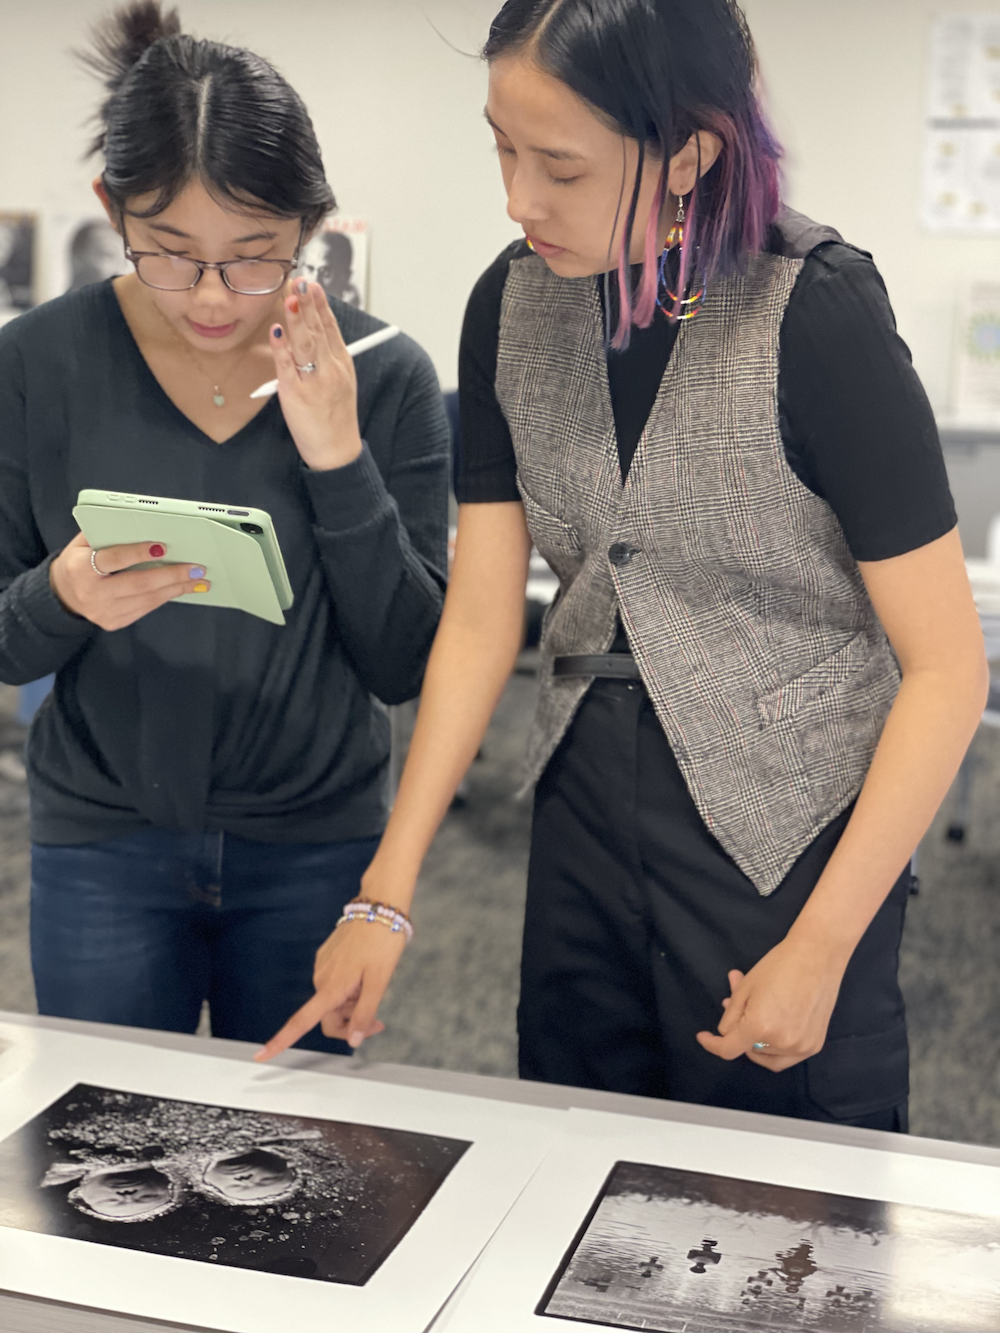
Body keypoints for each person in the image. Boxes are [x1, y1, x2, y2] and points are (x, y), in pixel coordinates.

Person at [262, 0, 988, 1132]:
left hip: (788, 833)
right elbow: (481, 618)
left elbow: (946, 668)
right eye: (501, 146)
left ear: (691, 149)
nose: (517, 197)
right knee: (568, 1159)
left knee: (783, 1207)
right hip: (583, 808)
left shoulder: (819, 311)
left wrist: (824, 939)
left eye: (559, 164)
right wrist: (386, 893)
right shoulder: (508, 304)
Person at [0, 1, 450, 1051]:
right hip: (101, 839)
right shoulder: (36, 364)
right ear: (113, 210)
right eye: (168, 252)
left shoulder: (383, 376)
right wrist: (58, 596)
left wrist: (337, 458)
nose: (211, 295)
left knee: (301, 1175)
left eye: (255, 255)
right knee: (98, 1163)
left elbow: (404, 660)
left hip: (314, 844)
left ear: (311, 225)